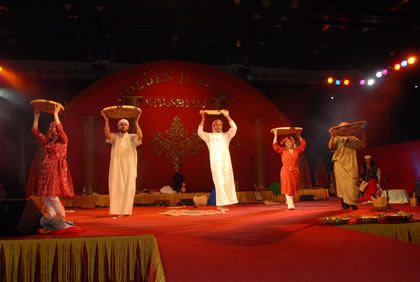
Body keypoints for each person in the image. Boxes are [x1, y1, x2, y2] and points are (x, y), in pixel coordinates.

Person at [32, 104, 74, 218]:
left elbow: (60, 129)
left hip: (57, 167)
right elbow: (36, 132)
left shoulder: (63, 140)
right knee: (45, 194)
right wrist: (36, 116)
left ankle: (61, 214)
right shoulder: (48, 142)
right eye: (52, 128)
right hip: (47, 168)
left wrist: (56, 114)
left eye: (56, 127)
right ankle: (51, 216)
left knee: (52, 194)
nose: (55, 129)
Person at [101, 110, 143, 216]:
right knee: (116, 186)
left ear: (128, 127)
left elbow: (141, 136)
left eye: (125, 124)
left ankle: (126, 211)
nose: (123, 126)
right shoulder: (115, 137)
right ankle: (116, 211)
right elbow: (107, 134)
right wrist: (106, 121)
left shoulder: (132, 137)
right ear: (118, 127)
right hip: (117, 166)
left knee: (129, 187)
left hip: (129, 166)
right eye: (121, 124)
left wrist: (136, 123)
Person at [197, 109, 238, 211]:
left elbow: (234, 128)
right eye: (216, 125)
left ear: (222, 126)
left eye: (220, 125)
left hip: (226, 162)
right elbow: (199, 132)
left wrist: (227, 116)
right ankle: (220, 205)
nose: (218, 126)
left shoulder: (226, 136)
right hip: (216, 162)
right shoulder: (210, 137)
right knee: (219, 182)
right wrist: (203, 118)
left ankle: (225, 203)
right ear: (213, 127)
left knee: (227, 181)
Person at [329, 123, 366, 210]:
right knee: (342, 185)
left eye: (346, 128)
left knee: (353, 183)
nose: (344, 130)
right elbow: (331, 147)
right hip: (339, 163)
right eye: (342, 128)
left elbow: (363, 146)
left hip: (351, 164)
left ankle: (353, 202)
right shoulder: (337, 138)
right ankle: (344, 202)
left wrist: (363, 133)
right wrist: (332, 136)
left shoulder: (353, 139)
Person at [272, 131, 306, 210]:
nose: (289, 143)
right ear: (285, 144)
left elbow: (303, 145)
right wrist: (275, 135)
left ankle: (288, 199)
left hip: (295, 170)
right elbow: (275, 146)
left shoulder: (296, 150)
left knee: (293, 187)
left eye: (290, 142)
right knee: (288, 187)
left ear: (292, 143)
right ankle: (290, 204)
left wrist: (299, 137)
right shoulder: (283, 151)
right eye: (287, 142)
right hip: (286, 170)